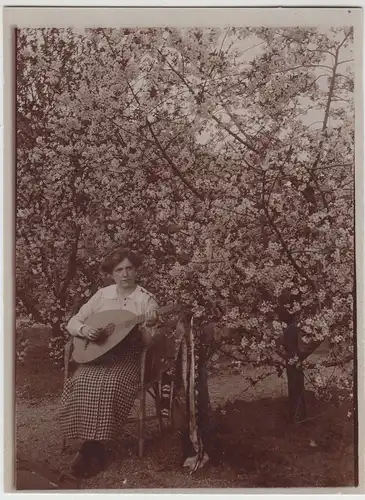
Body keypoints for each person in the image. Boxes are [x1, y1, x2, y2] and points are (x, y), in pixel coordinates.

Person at [59, 247, 159, 478]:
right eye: (119, 270)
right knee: (82, 380)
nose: (125, 274)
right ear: (112, 274)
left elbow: (150, 342)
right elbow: (73, 322)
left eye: (129, 269)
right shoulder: (102, 296)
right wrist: (85, 330)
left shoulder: (146, 300)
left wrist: (147, 328)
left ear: (136, 270)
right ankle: (92, 447)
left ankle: (93, 448)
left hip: (128, 359)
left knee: (110, 384)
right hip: (98, 355)